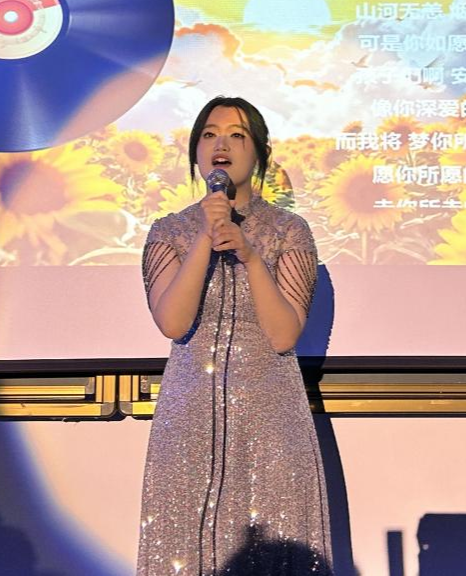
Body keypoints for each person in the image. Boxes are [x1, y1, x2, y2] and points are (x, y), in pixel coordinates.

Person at [137, 97, 331, 575]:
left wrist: (249, 255)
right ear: (195, 152)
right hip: (188, 415)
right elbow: (173, 323)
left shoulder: (289, 230)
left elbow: (283, 335)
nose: (220, 144)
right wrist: (206, 235)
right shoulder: (169, 231)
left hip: (271, 415)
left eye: (236, 135)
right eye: (209, 134)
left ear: (260, 152)